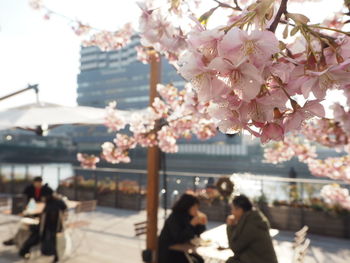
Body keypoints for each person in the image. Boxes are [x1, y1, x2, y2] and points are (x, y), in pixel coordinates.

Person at [19, 188, 67, 262]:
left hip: (47, 228)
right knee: (33, 231)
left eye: (43, 196)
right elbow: (64, 208)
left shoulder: (50, 203)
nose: (42, 198)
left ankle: (24, 250)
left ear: (46, 196)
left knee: (33, 233)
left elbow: (42, 215)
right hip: (55, 227)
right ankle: (24, 249)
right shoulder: (57, 201)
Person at [226, 195, 278, 263]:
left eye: (232, 209)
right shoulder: (252, 217)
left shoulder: (251, 224)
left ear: (240, 209)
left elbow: (235, 248)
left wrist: (230, 226)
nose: (232, 212)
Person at [3, 177, 53, 246]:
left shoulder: (47, 190)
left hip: (45, 214)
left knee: (30, 226)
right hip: (31, 212)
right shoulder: (29, 189)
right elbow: (23, 199)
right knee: (25, 225)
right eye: (37, 183)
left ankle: (24, 240)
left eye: (40, 183)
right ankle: (16, 239)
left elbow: (52, 200)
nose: (38, 185)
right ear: (34, 183)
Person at [158, 193, 207, 263]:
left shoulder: (190, 216)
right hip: (169, 253)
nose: (197, 209)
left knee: (200, 260)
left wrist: (201, 223)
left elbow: (197, 233)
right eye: (195, 207)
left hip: (182, 250)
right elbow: (179, 238)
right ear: (188, 206)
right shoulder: (174, 217)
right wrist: (191, 225)